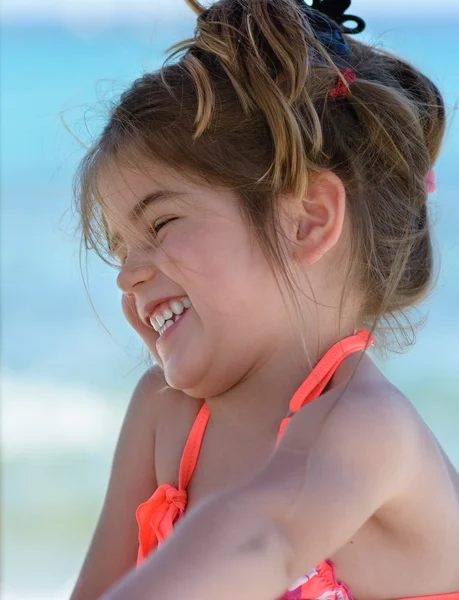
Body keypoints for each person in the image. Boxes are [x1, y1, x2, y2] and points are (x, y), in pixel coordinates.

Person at [69, 0, 459, 598]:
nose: (127, 277)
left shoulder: (368, 428)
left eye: (163, 223)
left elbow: (262, 538)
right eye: (121, 250)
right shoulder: (164, 416)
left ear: (307, 221)